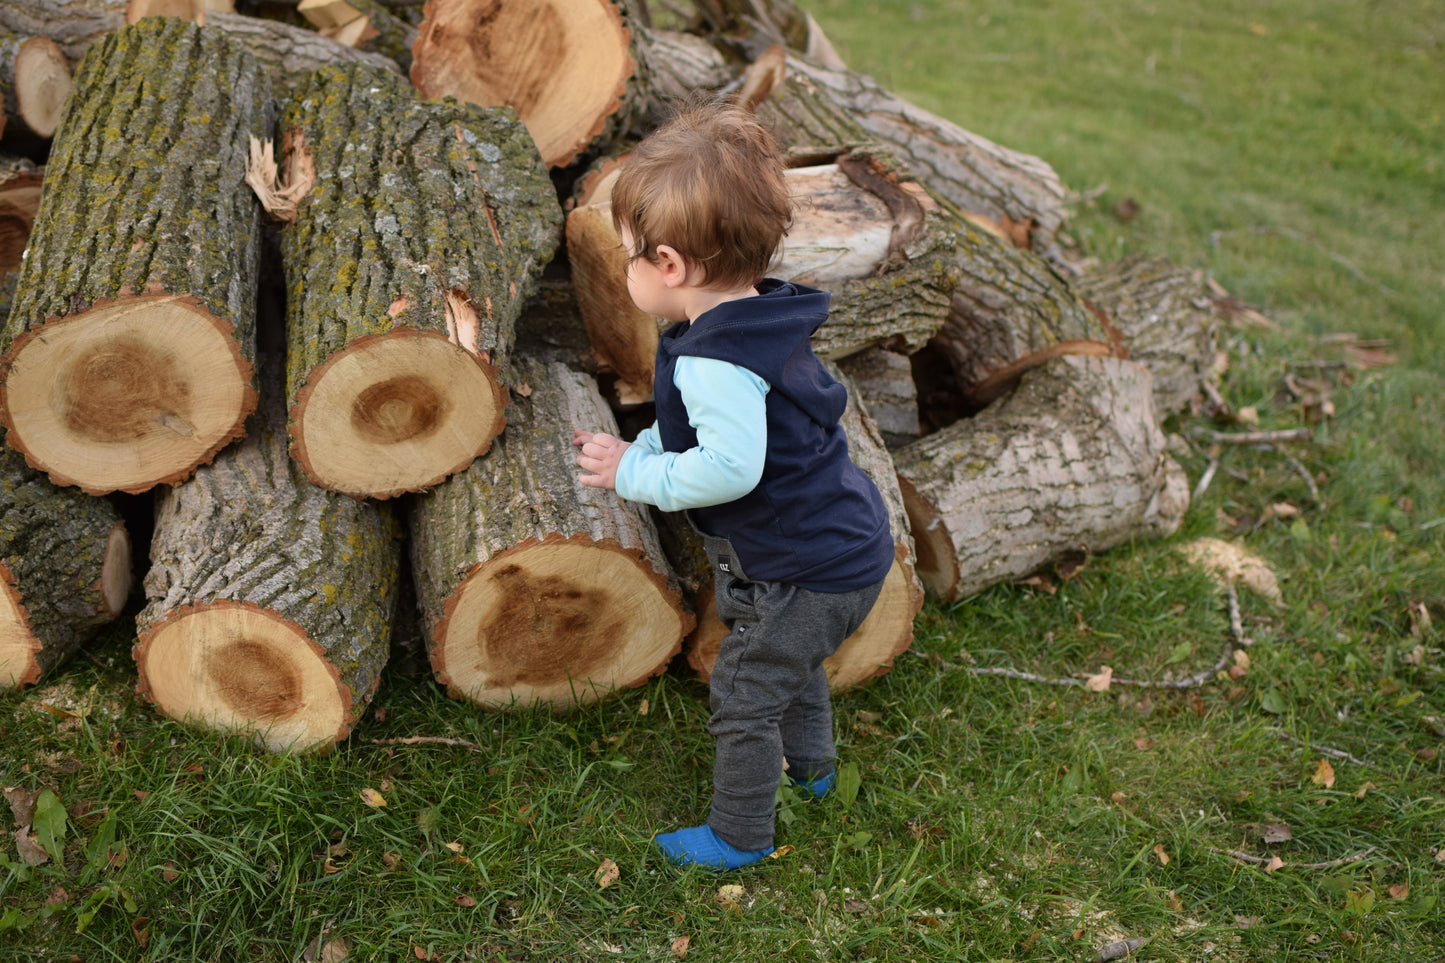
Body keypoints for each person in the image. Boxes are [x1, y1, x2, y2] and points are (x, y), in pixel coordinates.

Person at [572, 99, 894, 871]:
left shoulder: (714, 359)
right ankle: (816, 775)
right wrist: (646, 442)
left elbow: (728, 466)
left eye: (627, 256)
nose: (623, 270)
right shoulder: (752, 320)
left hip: (805, 569)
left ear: (670, 264)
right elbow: (703, 433)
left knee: (747, 690)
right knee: (792, 665)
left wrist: (634, 473)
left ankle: (739, 835)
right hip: (835, 550)